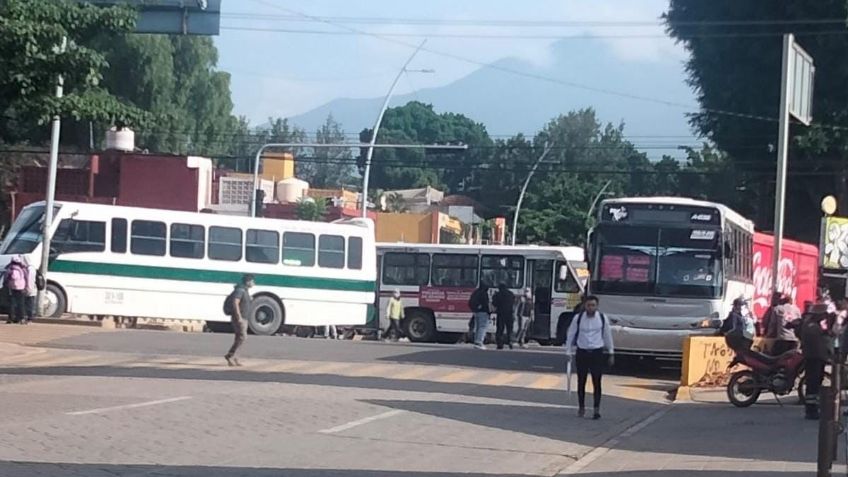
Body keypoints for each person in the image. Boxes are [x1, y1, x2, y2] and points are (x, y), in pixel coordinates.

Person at [564, 295, 613, 419]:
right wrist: (568, 352)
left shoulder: (602, 318)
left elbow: (607, 335)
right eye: (588, 305)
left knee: (597, 382)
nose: (591, 308)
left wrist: (611, 352)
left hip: (597, 352)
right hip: (582, 352)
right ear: (584, 306)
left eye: (593, 305)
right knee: (582, 382)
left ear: (597, 306)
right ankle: (581, 407)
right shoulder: (578, 318)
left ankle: (596, 409)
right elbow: (571, 334)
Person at [799, 303, 835, 420]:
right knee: (812, 384)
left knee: (815, 383)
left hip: (817, 358)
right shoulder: (811, 326)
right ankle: (811, 409)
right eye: (823, 314)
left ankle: (813, 407)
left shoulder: (814, 325)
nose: (824, 316)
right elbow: (819, 342)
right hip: (813, 358)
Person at [224, 274, 255, 366]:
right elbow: (235, 302)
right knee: (243, 337)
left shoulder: (244, 291)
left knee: (239, 338)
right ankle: (230, 355)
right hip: (240, 318)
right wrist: (239, 317)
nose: (254, 283)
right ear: (248, 282)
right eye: (252, 281)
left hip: (243, 318)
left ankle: (235, 358)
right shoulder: (240, 290)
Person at [3, 256, 29, 325]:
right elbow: (26, 278)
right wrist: (26, 286)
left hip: (12, 288)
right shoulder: (23, 269)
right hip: (21, 288)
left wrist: (6, 285)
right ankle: (22, 318)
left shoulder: (10, 268)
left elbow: (6, 278)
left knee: (12, 303)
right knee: (21, 303)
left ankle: (10, 318)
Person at [468, 283, 491, 350]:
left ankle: (476, 341)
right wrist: (489, 312)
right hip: (483, 312)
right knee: (483, 327)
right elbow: (485, 304)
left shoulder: (475, 292)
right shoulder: (484, 293)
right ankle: (479, 342)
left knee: (478, 327)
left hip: (476, 312)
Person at [493, 283, 515, 350]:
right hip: (509, 314)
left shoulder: (498, 294)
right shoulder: (511, 294)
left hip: (501, 314)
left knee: (500, 329)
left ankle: (500, 344)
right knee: (509, 329)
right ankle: (510, 342)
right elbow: (513, 302)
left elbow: (494, 303)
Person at [23, 256, 37, 324]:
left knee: (29, 304)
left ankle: (29, 319)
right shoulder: (31, 268)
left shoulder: (30, 269)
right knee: (29, 304)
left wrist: (28, 288)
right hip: (31, 289)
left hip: (30, 289)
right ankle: (28, 318)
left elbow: (30, 280)